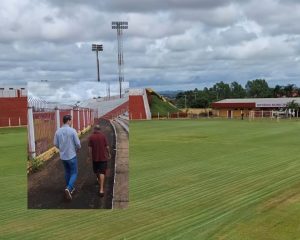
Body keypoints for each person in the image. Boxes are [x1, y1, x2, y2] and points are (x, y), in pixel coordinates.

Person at [54, 115, 81, 200]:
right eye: (71, 120)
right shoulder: (72, 131)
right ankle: (68, 188)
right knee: (74, 172)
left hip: (63, 156)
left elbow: (55, 143)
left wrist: (61, 149)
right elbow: (77, 143)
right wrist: (78, 148)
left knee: (67, 172)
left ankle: (70, 188)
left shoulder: (58, 131)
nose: (71, 121)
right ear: (68, 121)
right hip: (71, 155)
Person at [87, 125, 111, 197]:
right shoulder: (103, 136)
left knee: (97, 171)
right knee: (102, 172)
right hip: (103, 157)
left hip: (95, 158)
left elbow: (89, 149)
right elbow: (107, 146)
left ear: (94, 129)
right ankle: (101, 190)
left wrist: (89, 157)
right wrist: (109, 153)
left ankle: (99, 183)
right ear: (100, 129)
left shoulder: (91, 137)